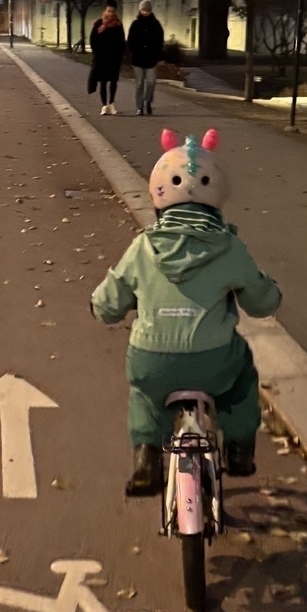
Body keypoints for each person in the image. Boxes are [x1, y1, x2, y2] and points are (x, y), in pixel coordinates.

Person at [91, 127, 282, 495]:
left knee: (145, 396)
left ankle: (146, 457)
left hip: (153, 360)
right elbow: (260, 302)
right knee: (241, 375)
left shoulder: (143, 247)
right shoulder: (229, 247)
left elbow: (108, 304)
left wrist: (103, 308)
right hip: (214, 361)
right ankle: (240, 449)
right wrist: (270, 294)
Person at [126, 0, 164, 116]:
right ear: (140, 10)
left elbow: (160, 41)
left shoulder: (156, 24)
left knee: (151, 82)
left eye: (147, 10)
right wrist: (133, 52)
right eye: (143, 10)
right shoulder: (135, 24)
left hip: (151, 59)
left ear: (150, 10)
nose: (145, 12)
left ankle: (147, 102)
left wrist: (157, 54)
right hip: (138, 59)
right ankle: (139, 106)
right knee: (139, 84)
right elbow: (130, 40)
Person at [88, 2, 125, 115]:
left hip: (114, 58)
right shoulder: (98, 24)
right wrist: (96, 53)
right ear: (104, 11)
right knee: (103, 82)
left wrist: (119, 55)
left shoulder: (118, 25)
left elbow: (121, 42)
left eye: (112, 11)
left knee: (113, 81)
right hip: (101, 58)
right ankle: (104, 105)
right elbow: (92, 39)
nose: (110, 13)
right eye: (108, 11)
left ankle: (111, 103)